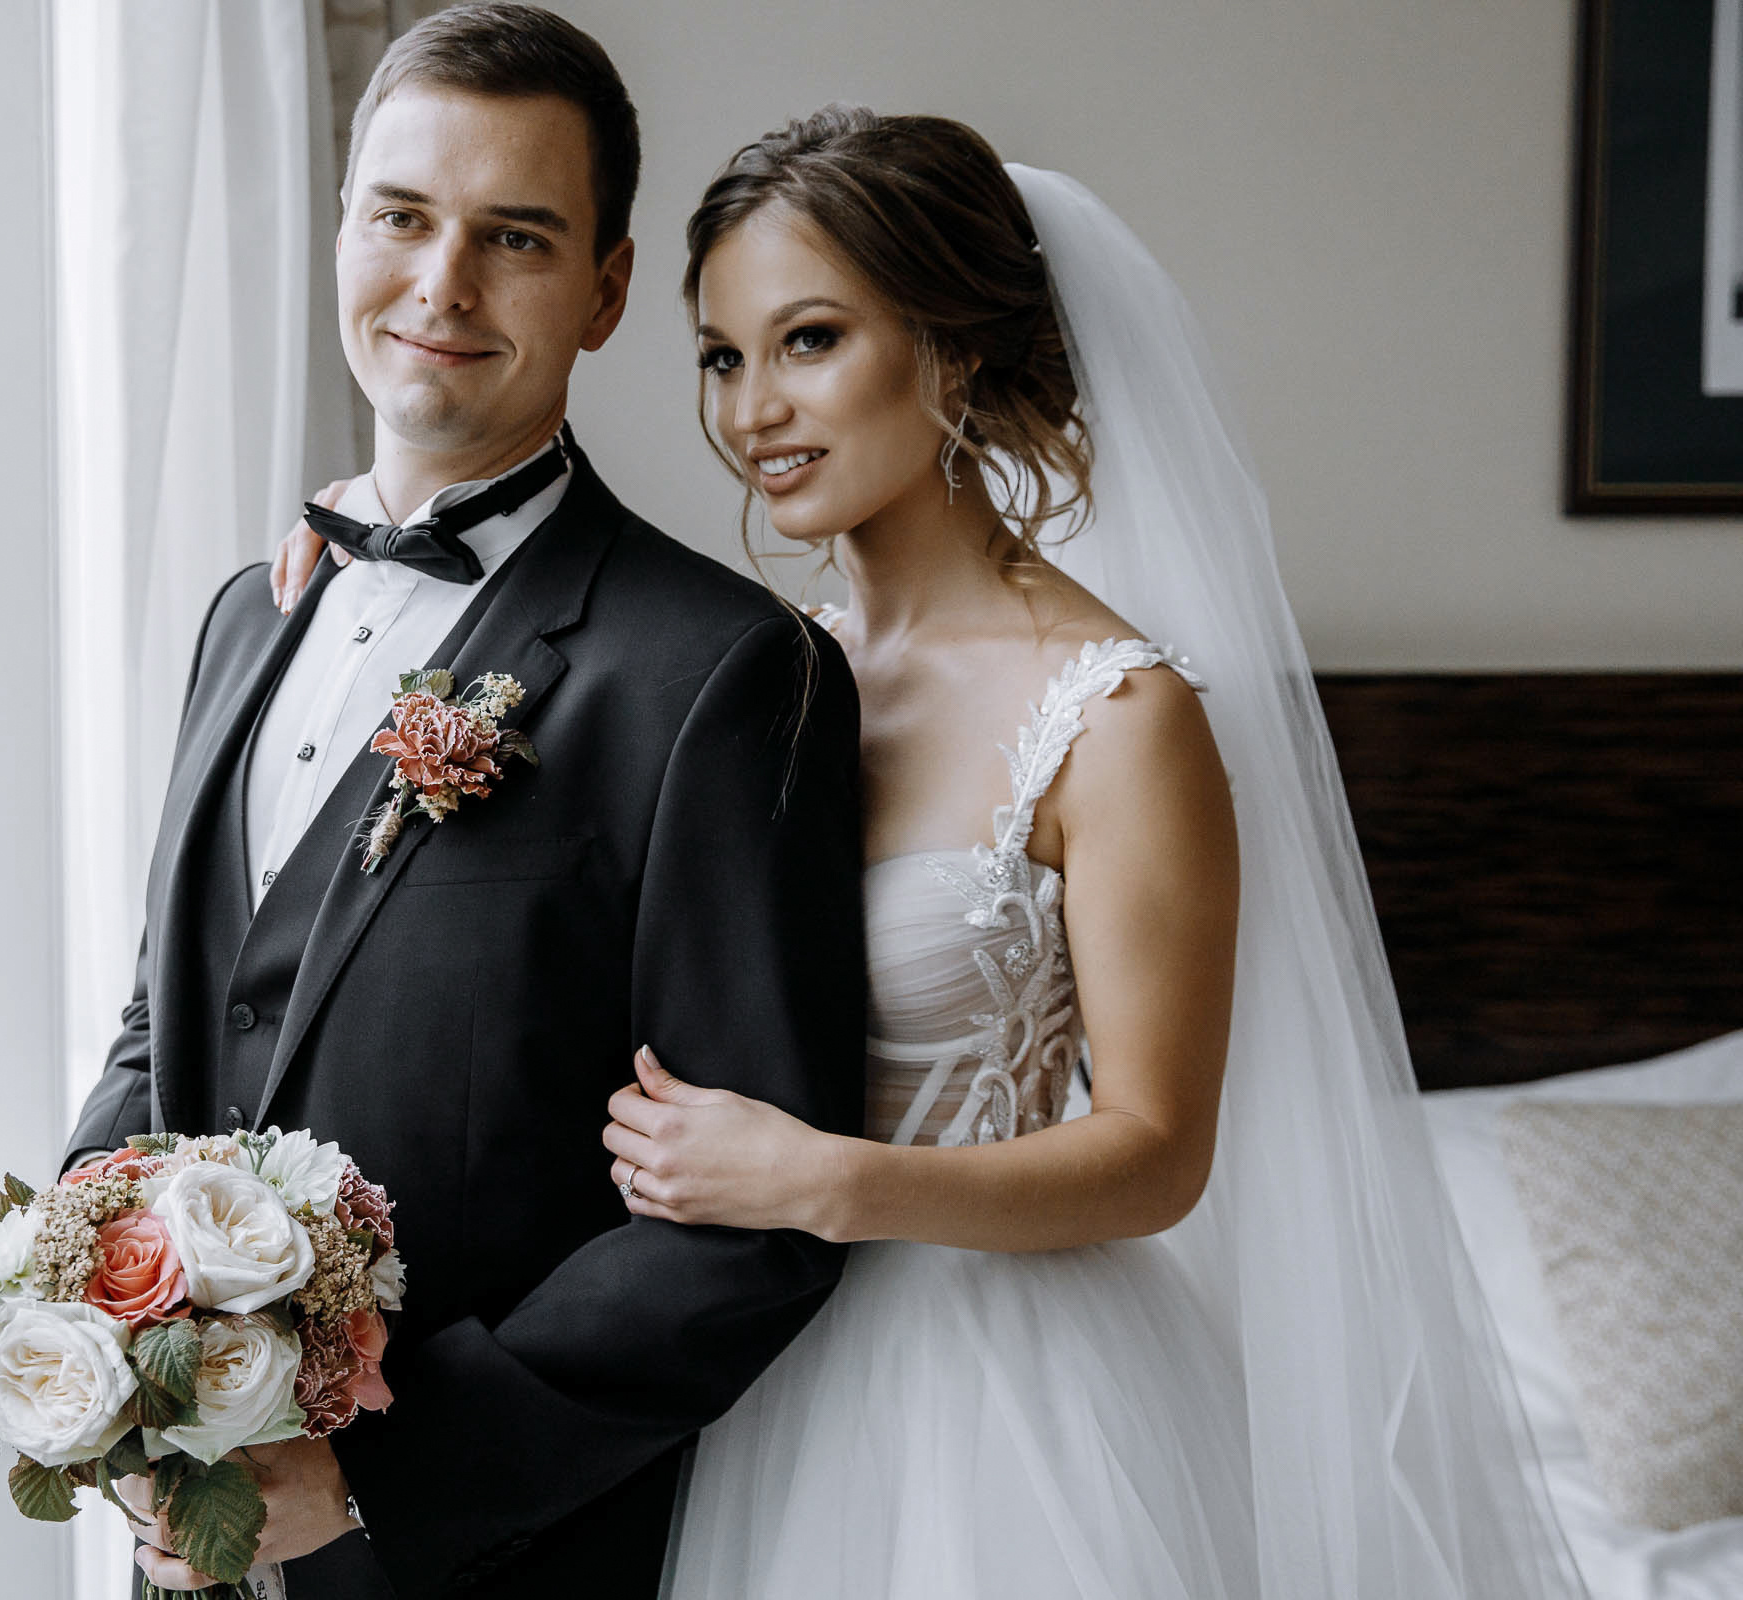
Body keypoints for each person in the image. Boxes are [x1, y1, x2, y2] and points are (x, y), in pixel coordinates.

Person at [281, 106, 1588, 1599]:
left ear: (954, 354)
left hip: (995, 1396)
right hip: (729, 1371)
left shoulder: (1118, 713)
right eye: (722, 355)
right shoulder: (740, 675)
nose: (755, 408)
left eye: (812, 340)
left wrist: (829, 1180)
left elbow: (1157, 1155)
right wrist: (354, 597)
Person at [62, 9, 866, 1598]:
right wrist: (85, 1328)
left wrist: (374, 1477)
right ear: (345, 225)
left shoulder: (719, 672)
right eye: (403, 218)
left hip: (496, 1555)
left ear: (608, 290)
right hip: (185, 1544)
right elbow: (172, 1020)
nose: (441, 287)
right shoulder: (246, 611)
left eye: (515, 237)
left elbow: (746, 1224)